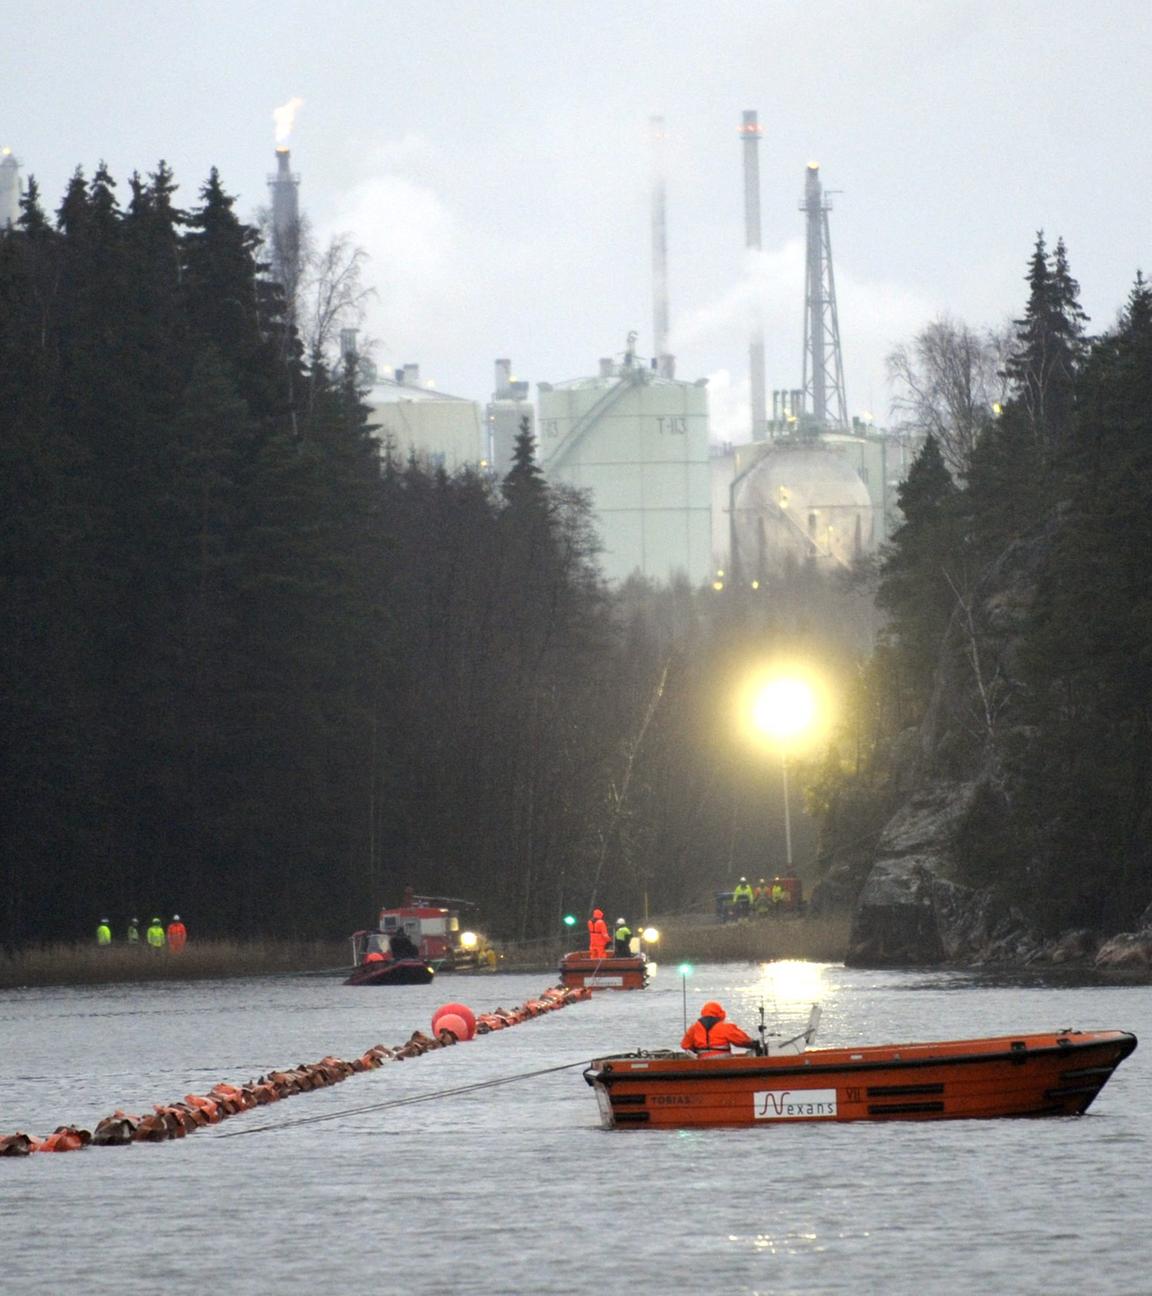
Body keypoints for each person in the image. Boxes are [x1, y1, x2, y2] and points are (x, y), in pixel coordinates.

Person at [680, 1001, 757, 1058]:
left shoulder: (694, 1027)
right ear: (720, 1013)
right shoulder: (725, 1026)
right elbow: (741, 1040)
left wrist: (698, 1048)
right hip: (724, 1059)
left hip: (703, 1060)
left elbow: (685, 1045)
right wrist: (753, 1043)